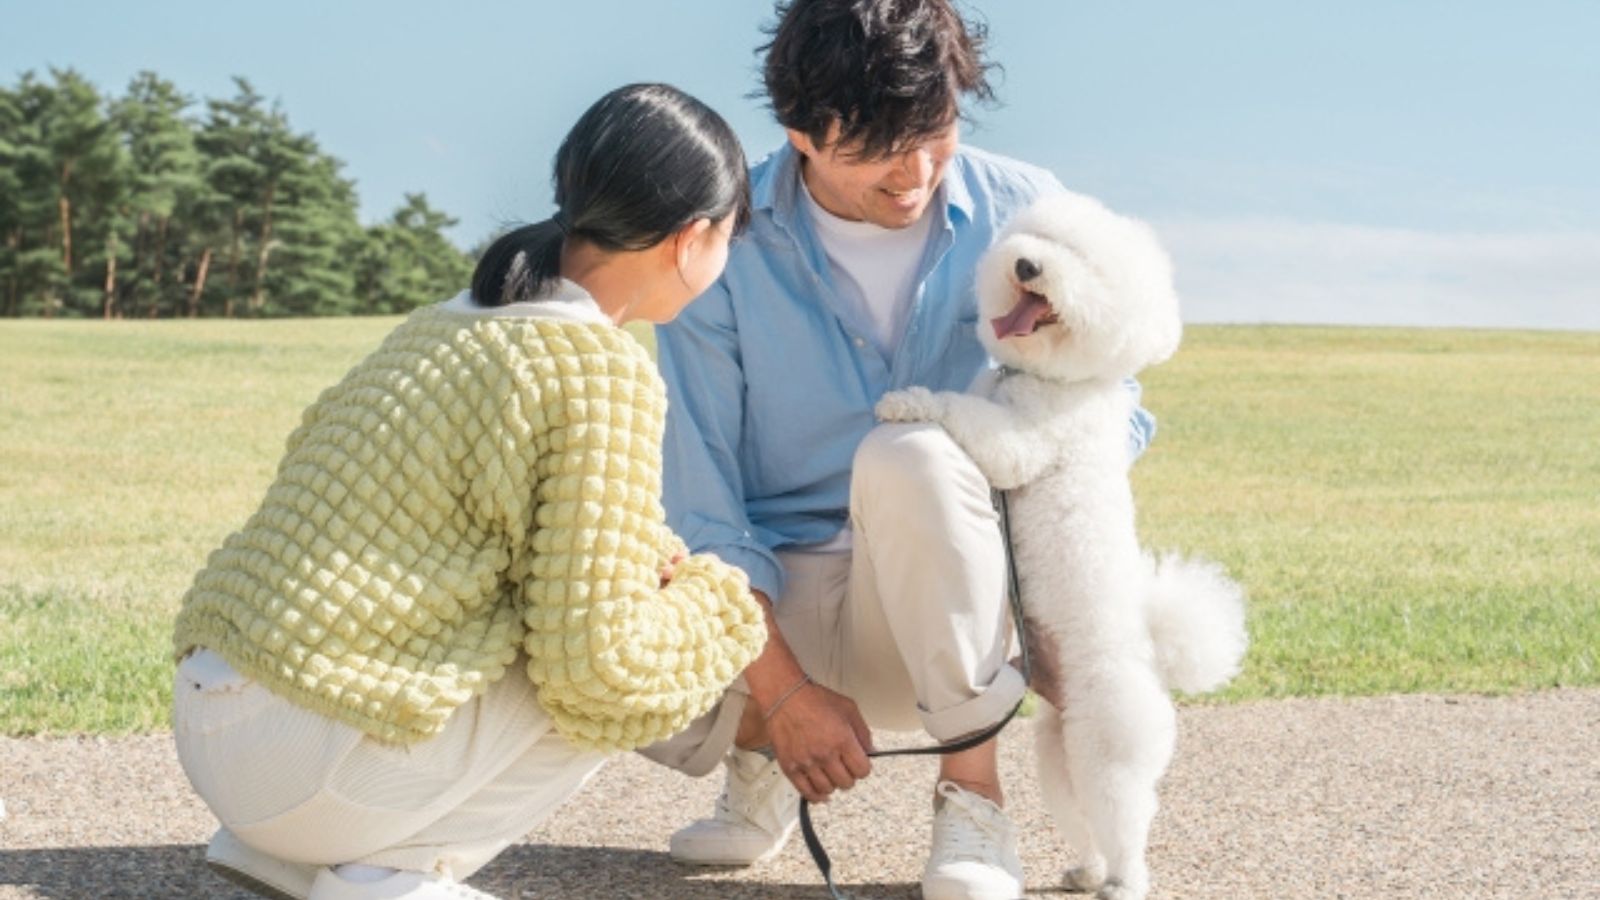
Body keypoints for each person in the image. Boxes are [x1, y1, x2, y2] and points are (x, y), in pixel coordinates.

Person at [170, 83, 767, 900]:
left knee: (573, 609)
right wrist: (721, 607)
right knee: (611, 658)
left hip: (220, 736)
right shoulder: (599, 366)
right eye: (731, 235)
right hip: (317, 768)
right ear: (692, 239)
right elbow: (601, 665)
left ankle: (291, 856)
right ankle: (392, 874)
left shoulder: (441, 323)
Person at [640, 3, 1156, 898]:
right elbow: (704, 499)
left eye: (936, 133)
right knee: (585, 564)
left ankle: (974, 807)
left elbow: (1115, 401)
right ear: (801, 132)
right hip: (773, 617)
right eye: (879, 147)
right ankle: (760, 756)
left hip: (955, 617)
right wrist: (786, 694)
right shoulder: (721, 244)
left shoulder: (1022, 208)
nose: (915, 174)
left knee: (910, 454)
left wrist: (1051, 595)